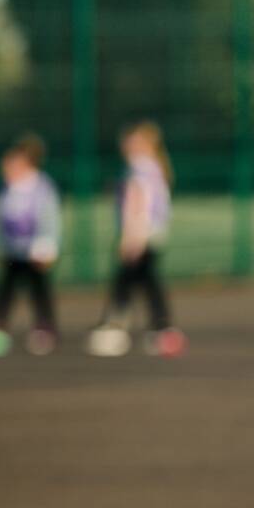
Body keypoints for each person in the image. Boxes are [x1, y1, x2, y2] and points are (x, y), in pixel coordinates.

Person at [88, 120, 184, 357]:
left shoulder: (139, 168)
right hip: (152, 234)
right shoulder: (154, 167)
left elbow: (138, 205)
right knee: (146, 281)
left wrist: (132, 238)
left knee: (127, 282)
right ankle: (161, 328)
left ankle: (115, 327)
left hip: (140, 236)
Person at [0, 133, 60, 356]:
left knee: (39, 290)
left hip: (35, 252)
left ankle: (45, 328)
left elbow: (49, 218)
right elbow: (0, 220)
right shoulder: (7, 189)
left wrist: (47, 246)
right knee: (5, 289)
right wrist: (0, 245)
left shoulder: (41, 187)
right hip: (13, 251)